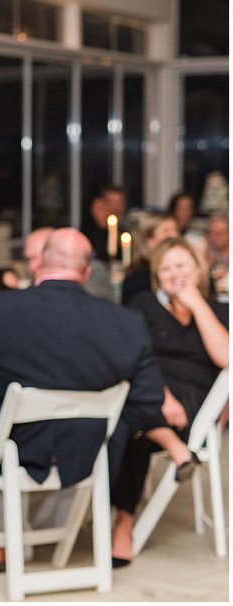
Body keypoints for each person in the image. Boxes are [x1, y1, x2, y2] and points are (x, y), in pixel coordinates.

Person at [0, 228, 164, 570]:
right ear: (87, 272)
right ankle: (48, 534)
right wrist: (107, 437)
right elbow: (149, 401)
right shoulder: (127, 324)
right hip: (86, 453)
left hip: (7, 452)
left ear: (39, 264)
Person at [111, 237, 229, 567]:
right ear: (157, 276)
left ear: (197, 268)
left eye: (181, 266)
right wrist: (160, 397)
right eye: (166, 268)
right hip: (153, 398)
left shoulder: (220, 309)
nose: (174, 274)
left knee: (131, 419)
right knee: (130, 425)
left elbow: (226, 357)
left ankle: (122, 523)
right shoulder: (144, 304)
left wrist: (196, 303)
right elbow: (135, 358)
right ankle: (126, 519)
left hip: (195, 409)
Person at [121, 213, 180, 305]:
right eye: (167, 232)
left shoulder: (183, 269)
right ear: (149, 241)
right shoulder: (138, 277)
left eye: (176, 230)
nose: (175, 236)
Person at [80, 185, 127, 261]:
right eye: (111, 203)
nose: (115, 208)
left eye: (119, 203)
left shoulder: (124, 233)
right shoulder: (86, 235)